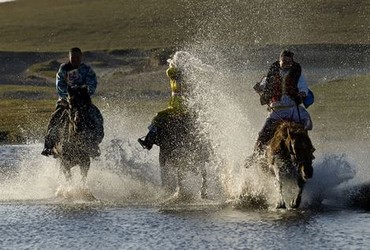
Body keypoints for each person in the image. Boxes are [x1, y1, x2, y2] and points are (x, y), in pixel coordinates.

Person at [249, 49, 313, 160]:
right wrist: (259, 88)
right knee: (263, 134)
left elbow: (303, 88)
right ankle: (255, 155)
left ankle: (308, 151)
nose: (286, 63)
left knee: (305, 125)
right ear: (280, 60)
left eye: (289, 61)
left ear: (292, 61)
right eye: (284, 61)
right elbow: (264, 86)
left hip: (292, 109)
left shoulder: (297, 73)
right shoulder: (272, 73)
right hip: (276, 110)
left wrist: (301, 95)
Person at [41, 47, 103, 157]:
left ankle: (94, 144)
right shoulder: (64, 69)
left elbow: (92, 83)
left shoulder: (87, 70)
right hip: (66, 101)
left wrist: (85, 94)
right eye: (73, 58)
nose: (75, 60)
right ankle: (48, 146)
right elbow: (60, 85)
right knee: (55, 119)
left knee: (96, 117)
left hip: (83, 101)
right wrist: (69, 96)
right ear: (69, 58)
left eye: (77, 57)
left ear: (81, 57)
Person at [138, 52, 189, 150]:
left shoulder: (180, 74)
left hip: (179, 109)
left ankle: (148, 141)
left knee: (158, 117)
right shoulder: (179, 75)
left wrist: (173, 63)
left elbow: (170, 71)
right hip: (176, 108)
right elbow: (169, 72)